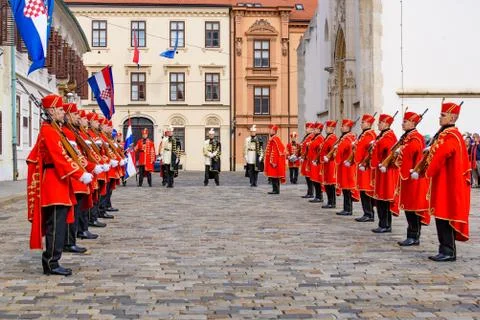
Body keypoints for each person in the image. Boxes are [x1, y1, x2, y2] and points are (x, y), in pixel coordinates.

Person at [26, 94, 92, 276]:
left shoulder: (55, 130)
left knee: (60, 223)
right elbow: (59, 157)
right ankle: (51, 263)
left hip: (61, 182)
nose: (64, 113)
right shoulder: (48, 131)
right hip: (53, 183)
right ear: (52, 111)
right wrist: (80, 174)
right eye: (61, 109)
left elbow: (69, 154)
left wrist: (84, 169)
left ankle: (54, 260)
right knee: (55, 225)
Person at [412, 102, 470, 262]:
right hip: (445, 182)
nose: (440, 117)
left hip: (447, 184)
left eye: (443, 115)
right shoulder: (447, 134)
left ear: (452, 117)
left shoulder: (450, 135)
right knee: (442, 215)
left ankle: (448, 251)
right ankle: (445, 249)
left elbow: (442, 154)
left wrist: (427, 171)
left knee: (444, 215)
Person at [383, 111, 430, 246]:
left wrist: (401, 150)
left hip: (414, 177)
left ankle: (414, 236)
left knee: (413, 208)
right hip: (407, 177)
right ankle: (411, 235)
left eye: (405, 121)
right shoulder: (407, 136)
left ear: (413, 123)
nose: (402, 123)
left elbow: (414, 150)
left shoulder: (415, 137)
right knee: (409, 207)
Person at [370, 114, 398, 233]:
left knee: (384, 198)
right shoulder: (382, 135)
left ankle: (386, 225)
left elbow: (391, 153)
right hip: (380, 171)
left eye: (380, 122)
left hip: (386, 171)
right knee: (380, 198)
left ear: (387, 124)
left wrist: (384, 163)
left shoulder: (389, 136)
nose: (378, 124)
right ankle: (382, 223)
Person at [353, 114, 377, 222]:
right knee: (363, 190)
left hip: (366, 167)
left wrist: (364, 163)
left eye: (363, 122)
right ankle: (366, 212)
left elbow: (370, 151)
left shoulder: (370, 135)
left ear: (369, 123)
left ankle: (369, 214)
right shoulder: (363, 135)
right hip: (361, 166)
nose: (361, 124)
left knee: (366, 191)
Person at [335, 119, 358, 216]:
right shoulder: (346, 137)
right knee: (345, 188)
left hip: (347, 166)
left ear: (348, 127)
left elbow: (342, 149)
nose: (341, 127)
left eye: (343, 126)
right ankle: (346, 208)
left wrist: (337, 150)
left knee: (347, 188)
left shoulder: (347, 138)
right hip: (344, 165)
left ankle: (348, 209)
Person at [320, 120, 338, 208]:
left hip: (330, 163)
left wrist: (328, 156)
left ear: (332, 128)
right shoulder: (328, 137)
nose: (325, 129)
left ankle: (332, 202)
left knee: (330, 184)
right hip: (326, 163)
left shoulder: (332, 138)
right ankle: (329, 201)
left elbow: (334, 151)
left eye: (327, 128)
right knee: (327, 183)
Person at [264, 124, 286, 194]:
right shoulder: (273, 139)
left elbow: (275, 151)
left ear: (274, 131)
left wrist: (273, 161)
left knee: (275, 176)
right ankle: (275, 190)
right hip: (272, 161)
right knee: (273, 176)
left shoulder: (275, 139)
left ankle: (276, 190)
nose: (269, 131)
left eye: (271, 130)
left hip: (273, 161)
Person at [307, 122, 324, 203]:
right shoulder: (315, 137)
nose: (314, 130)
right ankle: (317, 196)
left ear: (319, 130)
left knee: (317, 180)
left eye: (315, 129)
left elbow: (320, 150)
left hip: (317, 162)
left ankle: (319, 196)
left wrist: (316, 159)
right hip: (313, 162)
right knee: (314, 179)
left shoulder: (320, 138)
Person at [299, 122, 316, 198]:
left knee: (309, 177)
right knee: (307, 176)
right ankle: (309, 192)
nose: (306, 129)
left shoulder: (311, 137)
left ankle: (311, 192)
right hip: (305, 159)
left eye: (307, 128)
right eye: (306, 128)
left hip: (308, 159)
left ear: (312, 129)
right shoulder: (307, 136)